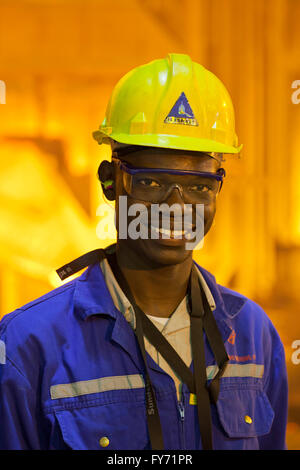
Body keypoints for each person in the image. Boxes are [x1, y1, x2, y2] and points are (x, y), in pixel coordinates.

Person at [0, 53, 288, 450]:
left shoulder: (254, 336)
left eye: (199, 186)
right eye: (152, 182)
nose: (177, 205)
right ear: (109, 183)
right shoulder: (28, 345)